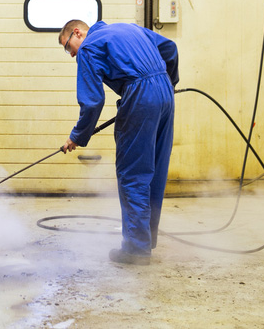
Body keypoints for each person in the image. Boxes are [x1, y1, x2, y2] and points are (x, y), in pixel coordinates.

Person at [58, 19, 178, 265]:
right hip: (165, 94)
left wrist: (78, 136)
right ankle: (146, 240)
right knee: (155, 170)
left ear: (77, 33)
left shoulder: (89, 48)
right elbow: (170, 48)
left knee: (133, 172)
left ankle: (136, 248)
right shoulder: (129, 28)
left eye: (68, 47)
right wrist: (169, 85)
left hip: (141, 95)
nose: (71, 55)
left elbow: (92, 102)